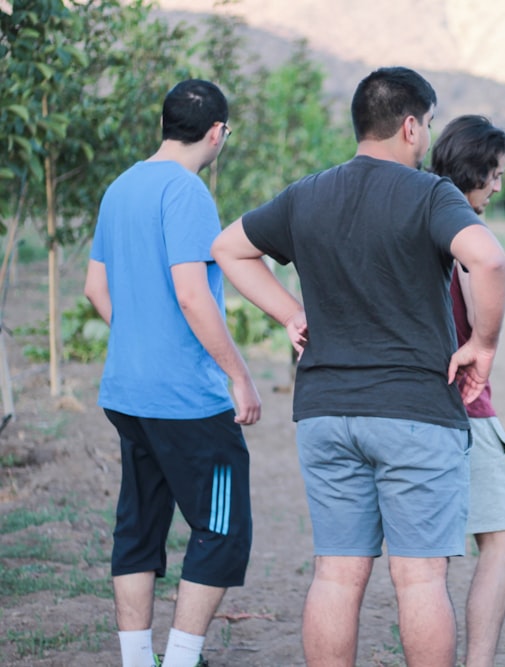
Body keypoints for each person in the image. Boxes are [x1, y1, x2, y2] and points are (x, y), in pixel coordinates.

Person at [210, 67, 505, 667]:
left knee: (337, 576)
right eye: (426, 123)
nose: (425, 135)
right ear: (410, 126)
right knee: (420, 579)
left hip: (325, 413)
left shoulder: (307, 193)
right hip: (415, 414)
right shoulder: (430, 194)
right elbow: (489, 260)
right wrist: (483, 341)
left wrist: (290, 313)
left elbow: (228, 248)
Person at [84, 79, 261, 667]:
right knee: (221, 530)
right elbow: (192, 294)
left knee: (138, 530)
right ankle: (182, 661)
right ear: (217, 133)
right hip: (187, 399)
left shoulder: (119, 187)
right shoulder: (187, 192)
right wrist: (238, 374)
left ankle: (140, 661)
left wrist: (139, 337)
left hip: (127, 392)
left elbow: (95, 288)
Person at [429, 115, 505, 667]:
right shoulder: (462, 226)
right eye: (496, 174)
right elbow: (483, 269)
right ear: (477, 168)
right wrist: (484, 343)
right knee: (501, 541)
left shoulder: (415, 214)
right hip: (466, 404)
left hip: (410, 404)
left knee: (428, 557)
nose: (498, 187)